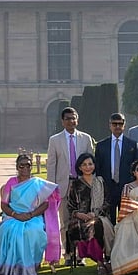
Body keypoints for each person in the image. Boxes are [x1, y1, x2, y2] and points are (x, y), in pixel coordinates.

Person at [0, 154, 62, 275]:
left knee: (33, 231)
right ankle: (7, 267)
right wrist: (15, 215)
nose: (24, 168)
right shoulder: (11, 182)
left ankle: (31, 265)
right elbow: (4, 205)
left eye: (28, 165)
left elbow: (45, 205)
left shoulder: (37, 183)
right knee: (6, 230)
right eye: (21, 165)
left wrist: (30, 214)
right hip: (13, 216)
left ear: (31, 167)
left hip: (33, 217)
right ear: (17, 167)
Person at [46, 106, 95, 258]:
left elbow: (92, 163)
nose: (71, 121)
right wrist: (52, 188)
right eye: (68, 118)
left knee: (82, 222)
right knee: (66, 222)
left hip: (82, 186)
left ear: (77, 120)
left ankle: (80, 255)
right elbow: (51, 165)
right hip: (63, 186)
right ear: (62, 121)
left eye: (73, 118)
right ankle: (68, 254)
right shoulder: (55, 140)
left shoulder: (85, 138)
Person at [66, 153, 115, 275]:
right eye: (84, 165)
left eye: (90, 164)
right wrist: (80, 215)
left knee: (98, 224)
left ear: (94, 165)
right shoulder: (75, 184)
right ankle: (101, 262)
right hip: (79, 221)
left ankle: (103, 261)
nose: (88, 167)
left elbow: (107, 202)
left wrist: (96, 213)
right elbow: (70, 206)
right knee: (95, 225)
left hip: (99, 217)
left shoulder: (100, 182)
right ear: (79, 167)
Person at [94, 113, 138, 222]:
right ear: (110, 125)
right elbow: (98, 167)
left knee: (127, 220)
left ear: (124, 125)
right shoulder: (101, 145)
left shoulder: (132, 145)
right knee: (109, 219)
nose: (117, 126)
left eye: (120, 124)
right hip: (108, 187)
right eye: (114, 124)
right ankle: (111, 239)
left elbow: (136, 166)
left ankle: (124, 239)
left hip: (126, 188)